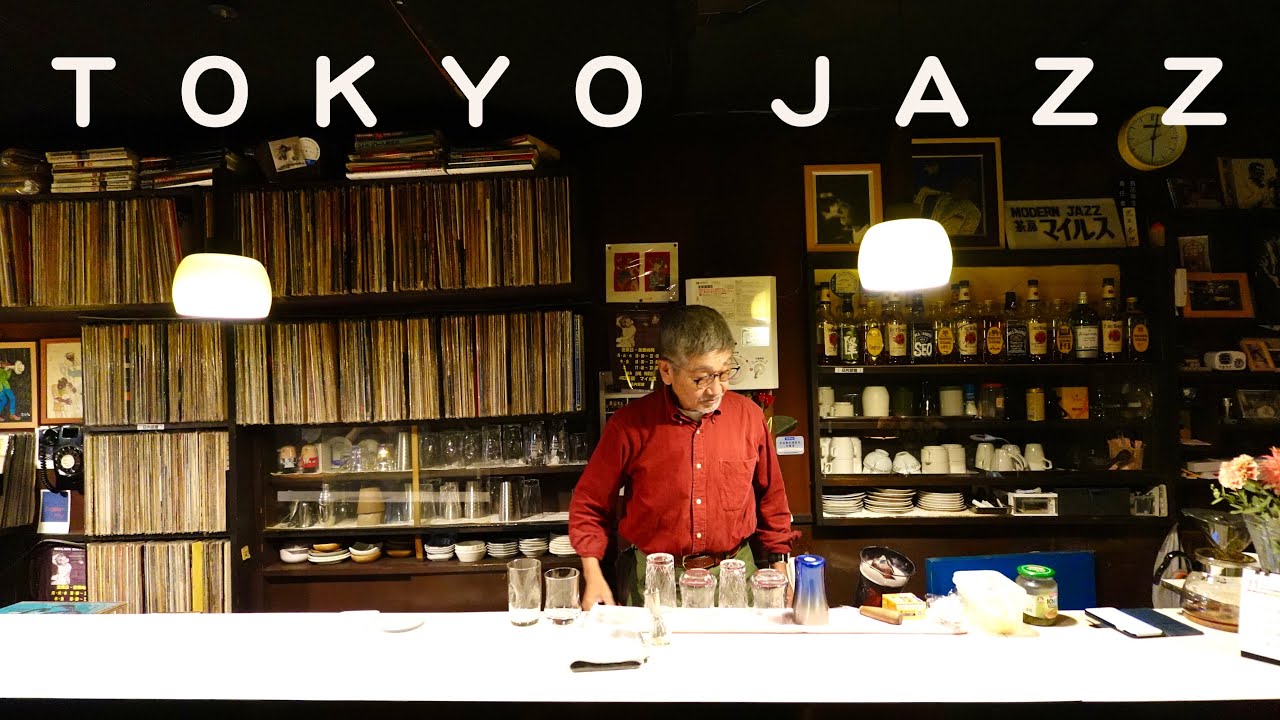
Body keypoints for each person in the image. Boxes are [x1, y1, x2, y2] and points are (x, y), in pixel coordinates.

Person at [570, 305, 798, 609]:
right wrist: (592, 573)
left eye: (724, 373)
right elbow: (590, 502)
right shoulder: (629, 425)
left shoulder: (749, 417)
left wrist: (780, 566)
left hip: (734, 574)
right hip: (657, 577)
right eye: (701, 378)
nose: (716, 389)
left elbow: (772, 499)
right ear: (667, 371)